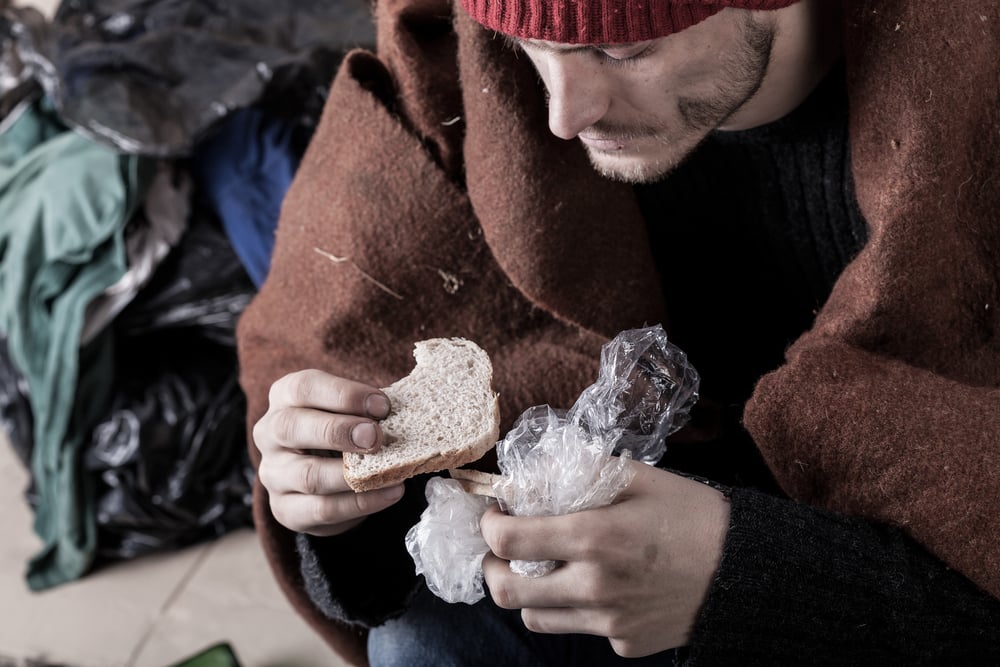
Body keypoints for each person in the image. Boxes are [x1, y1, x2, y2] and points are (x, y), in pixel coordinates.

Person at [238, 0, 1000, 664]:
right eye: (530, 45)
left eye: (622, 49)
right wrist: (343, 494)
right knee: (431, 640)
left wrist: (758, 582)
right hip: (619, 558)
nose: (563, 116)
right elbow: (337, 346)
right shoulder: (463, 64)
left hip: (885, 587)